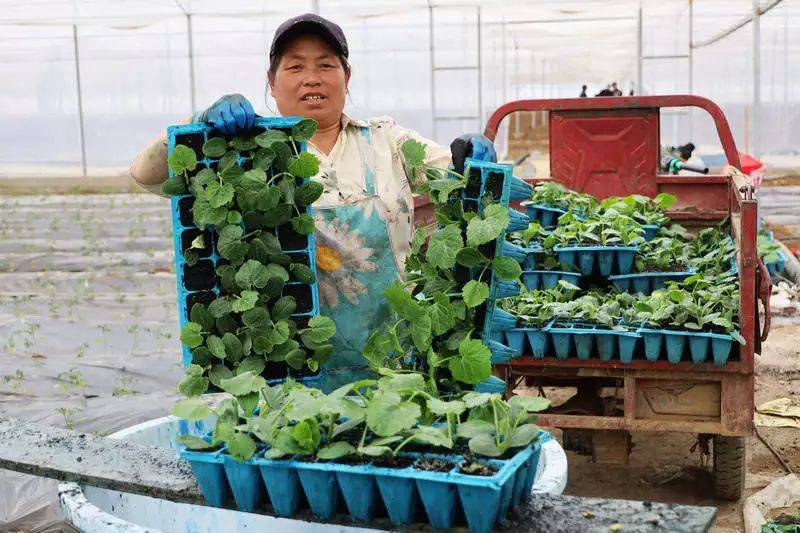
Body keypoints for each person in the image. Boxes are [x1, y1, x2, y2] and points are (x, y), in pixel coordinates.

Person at [129, 13, 497, 390]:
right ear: (272, 83)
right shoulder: (246, 154)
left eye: (326, 65)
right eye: (295, 67)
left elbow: (459, 175)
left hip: (395, 365)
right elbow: (146, 174)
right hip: (288, 370)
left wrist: (469, 153)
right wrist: (197, 124)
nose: (312, 77)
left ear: (346, 77)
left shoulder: (386, 142)